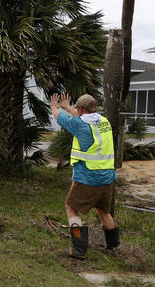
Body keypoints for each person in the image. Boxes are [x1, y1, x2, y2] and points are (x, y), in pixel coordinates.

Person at [49, 93, 120, 259]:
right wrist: (68, 107)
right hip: (107, 177)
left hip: (88, 176)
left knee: (70, 207)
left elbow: (60, 118)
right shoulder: (104, 122)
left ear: (80, 109)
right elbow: (82, 117)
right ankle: (114, 248)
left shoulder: (79, 124)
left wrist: (55, 106)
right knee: (104, 211)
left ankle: (79, 248)